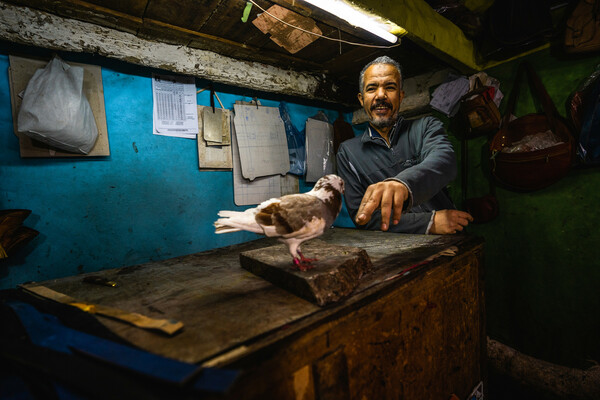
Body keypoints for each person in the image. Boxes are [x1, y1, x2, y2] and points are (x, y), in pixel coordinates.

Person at [336, 56, 473, 234]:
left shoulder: (426, 126)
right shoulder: (348, 152)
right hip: (397, 252)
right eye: (372, 88)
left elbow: (444, 162)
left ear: (400, 96)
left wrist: (402, 184)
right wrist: (428, 223)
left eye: (390, 87)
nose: (380, 95)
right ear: (362, 100)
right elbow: (362, 218)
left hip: (449, 238)